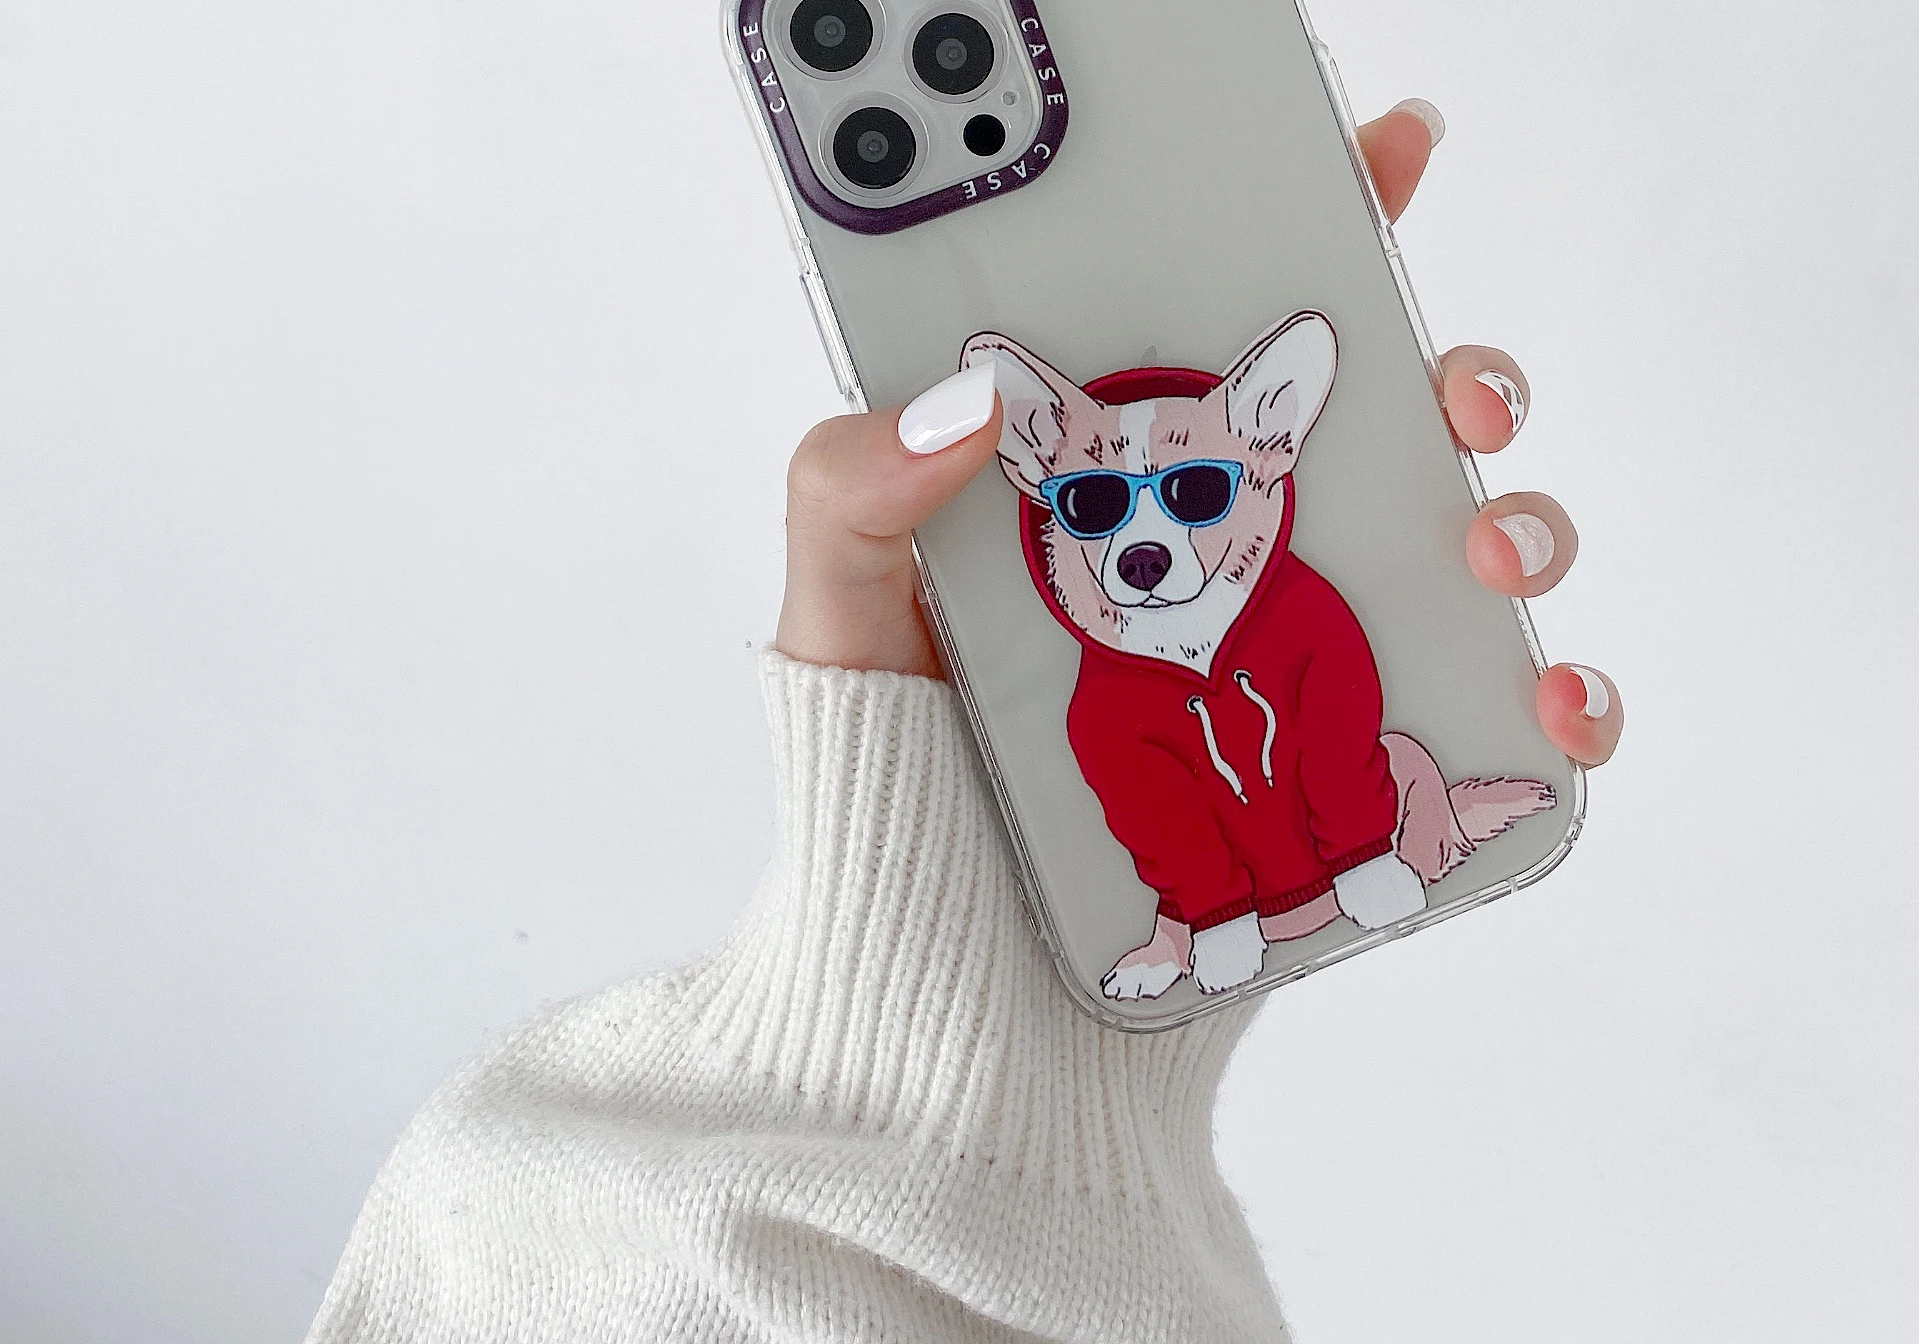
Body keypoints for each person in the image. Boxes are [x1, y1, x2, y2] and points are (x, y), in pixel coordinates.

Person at [305, 101, 1623, 1343]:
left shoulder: (1309, 614)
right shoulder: (1101, 698)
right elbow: (1148, 807)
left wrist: (942, 1059)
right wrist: (1002, 1042)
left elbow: (1342, 737)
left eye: (1196, 493)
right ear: (1043, 476)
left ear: (1272, 448)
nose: (1148, 542)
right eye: (1095, 505)